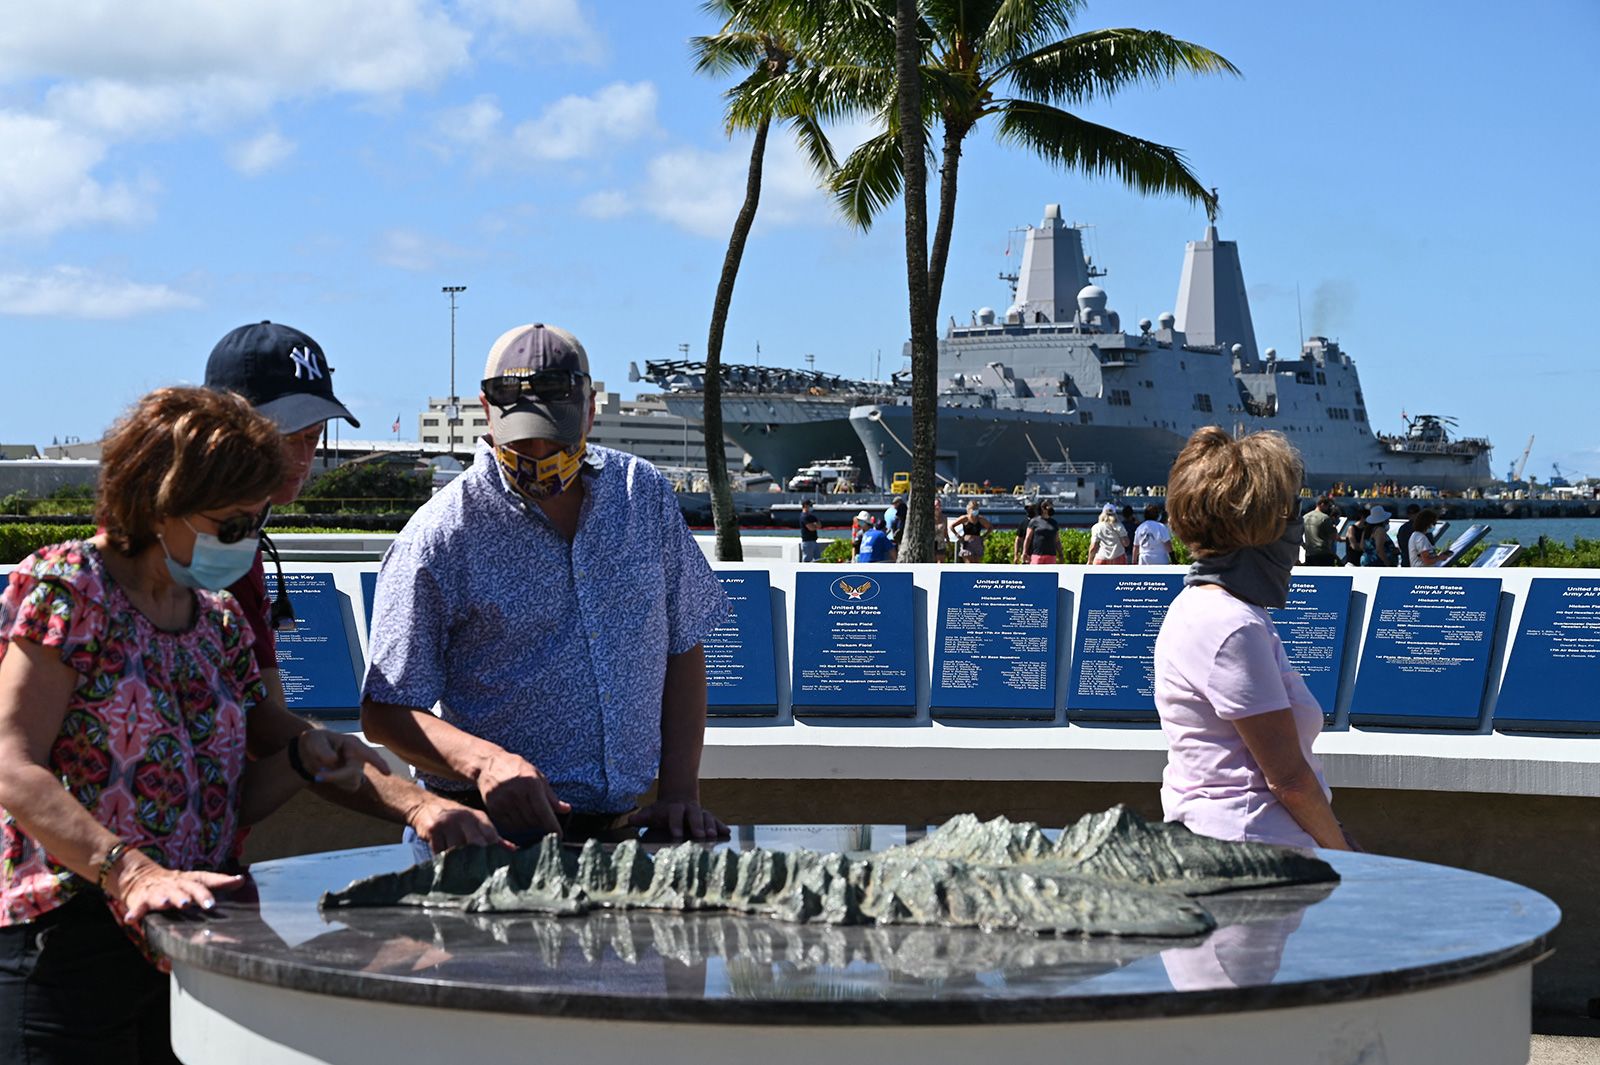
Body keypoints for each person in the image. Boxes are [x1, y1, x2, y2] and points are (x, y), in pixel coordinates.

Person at [0, 388, 356, 1064]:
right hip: (69, 941)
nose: (245, 541)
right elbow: (12, 764)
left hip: (183, 939)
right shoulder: (69, 588)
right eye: (229, 523)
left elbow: (220, 799)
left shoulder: (216, 618)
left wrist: (306, 758)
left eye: (257, 522)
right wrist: (128, 871)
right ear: (157, 501)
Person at [361, 323, 731, 845]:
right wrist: (486, 763)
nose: (538, 454)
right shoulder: (440, 535)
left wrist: (679, 794)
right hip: (483, 833)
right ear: (487, 412)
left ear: (590, 411)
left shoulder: (641, 496)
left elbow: (682, 643)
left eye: (555, 436)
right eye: (521, 439)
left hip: (619, 829)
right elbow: (386, 711)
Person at [203, 321, 494, 849]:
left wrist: (406, 798)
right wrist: (411, 800)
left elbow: (263, 718)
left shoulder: (239, 553)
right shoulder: (92, 581)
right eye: (283, 435)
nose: (301, 455)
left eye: (311, 436)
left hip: (206, 862)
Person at [1153, 427, 1352, 851]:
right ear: (1259, 526)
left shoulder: (1199, 606)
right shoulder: (1232, 625)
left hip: (1224, 840)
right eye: (1289, 513)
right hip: (1255, 849)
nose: (1296, 529)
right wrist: (1347, 854)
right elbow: (1288, 779)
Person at [1301, 496, 1340, 567]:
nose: (1328, 508)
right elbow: (1333, 536)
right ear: (1322, 504)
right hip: (1323, 553)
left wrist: (1304, 546)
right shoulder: (1325, 518)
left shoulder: (1305, 517)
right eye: (1328, 506)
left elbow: (1298, 535)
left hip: (1309, 553)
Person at [1393, 503, 1422, 567]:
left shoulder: (1403, 528)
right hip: (1418, 563)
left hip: (1405, 561)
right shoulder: (1422, 527)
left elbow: (1400, 544)